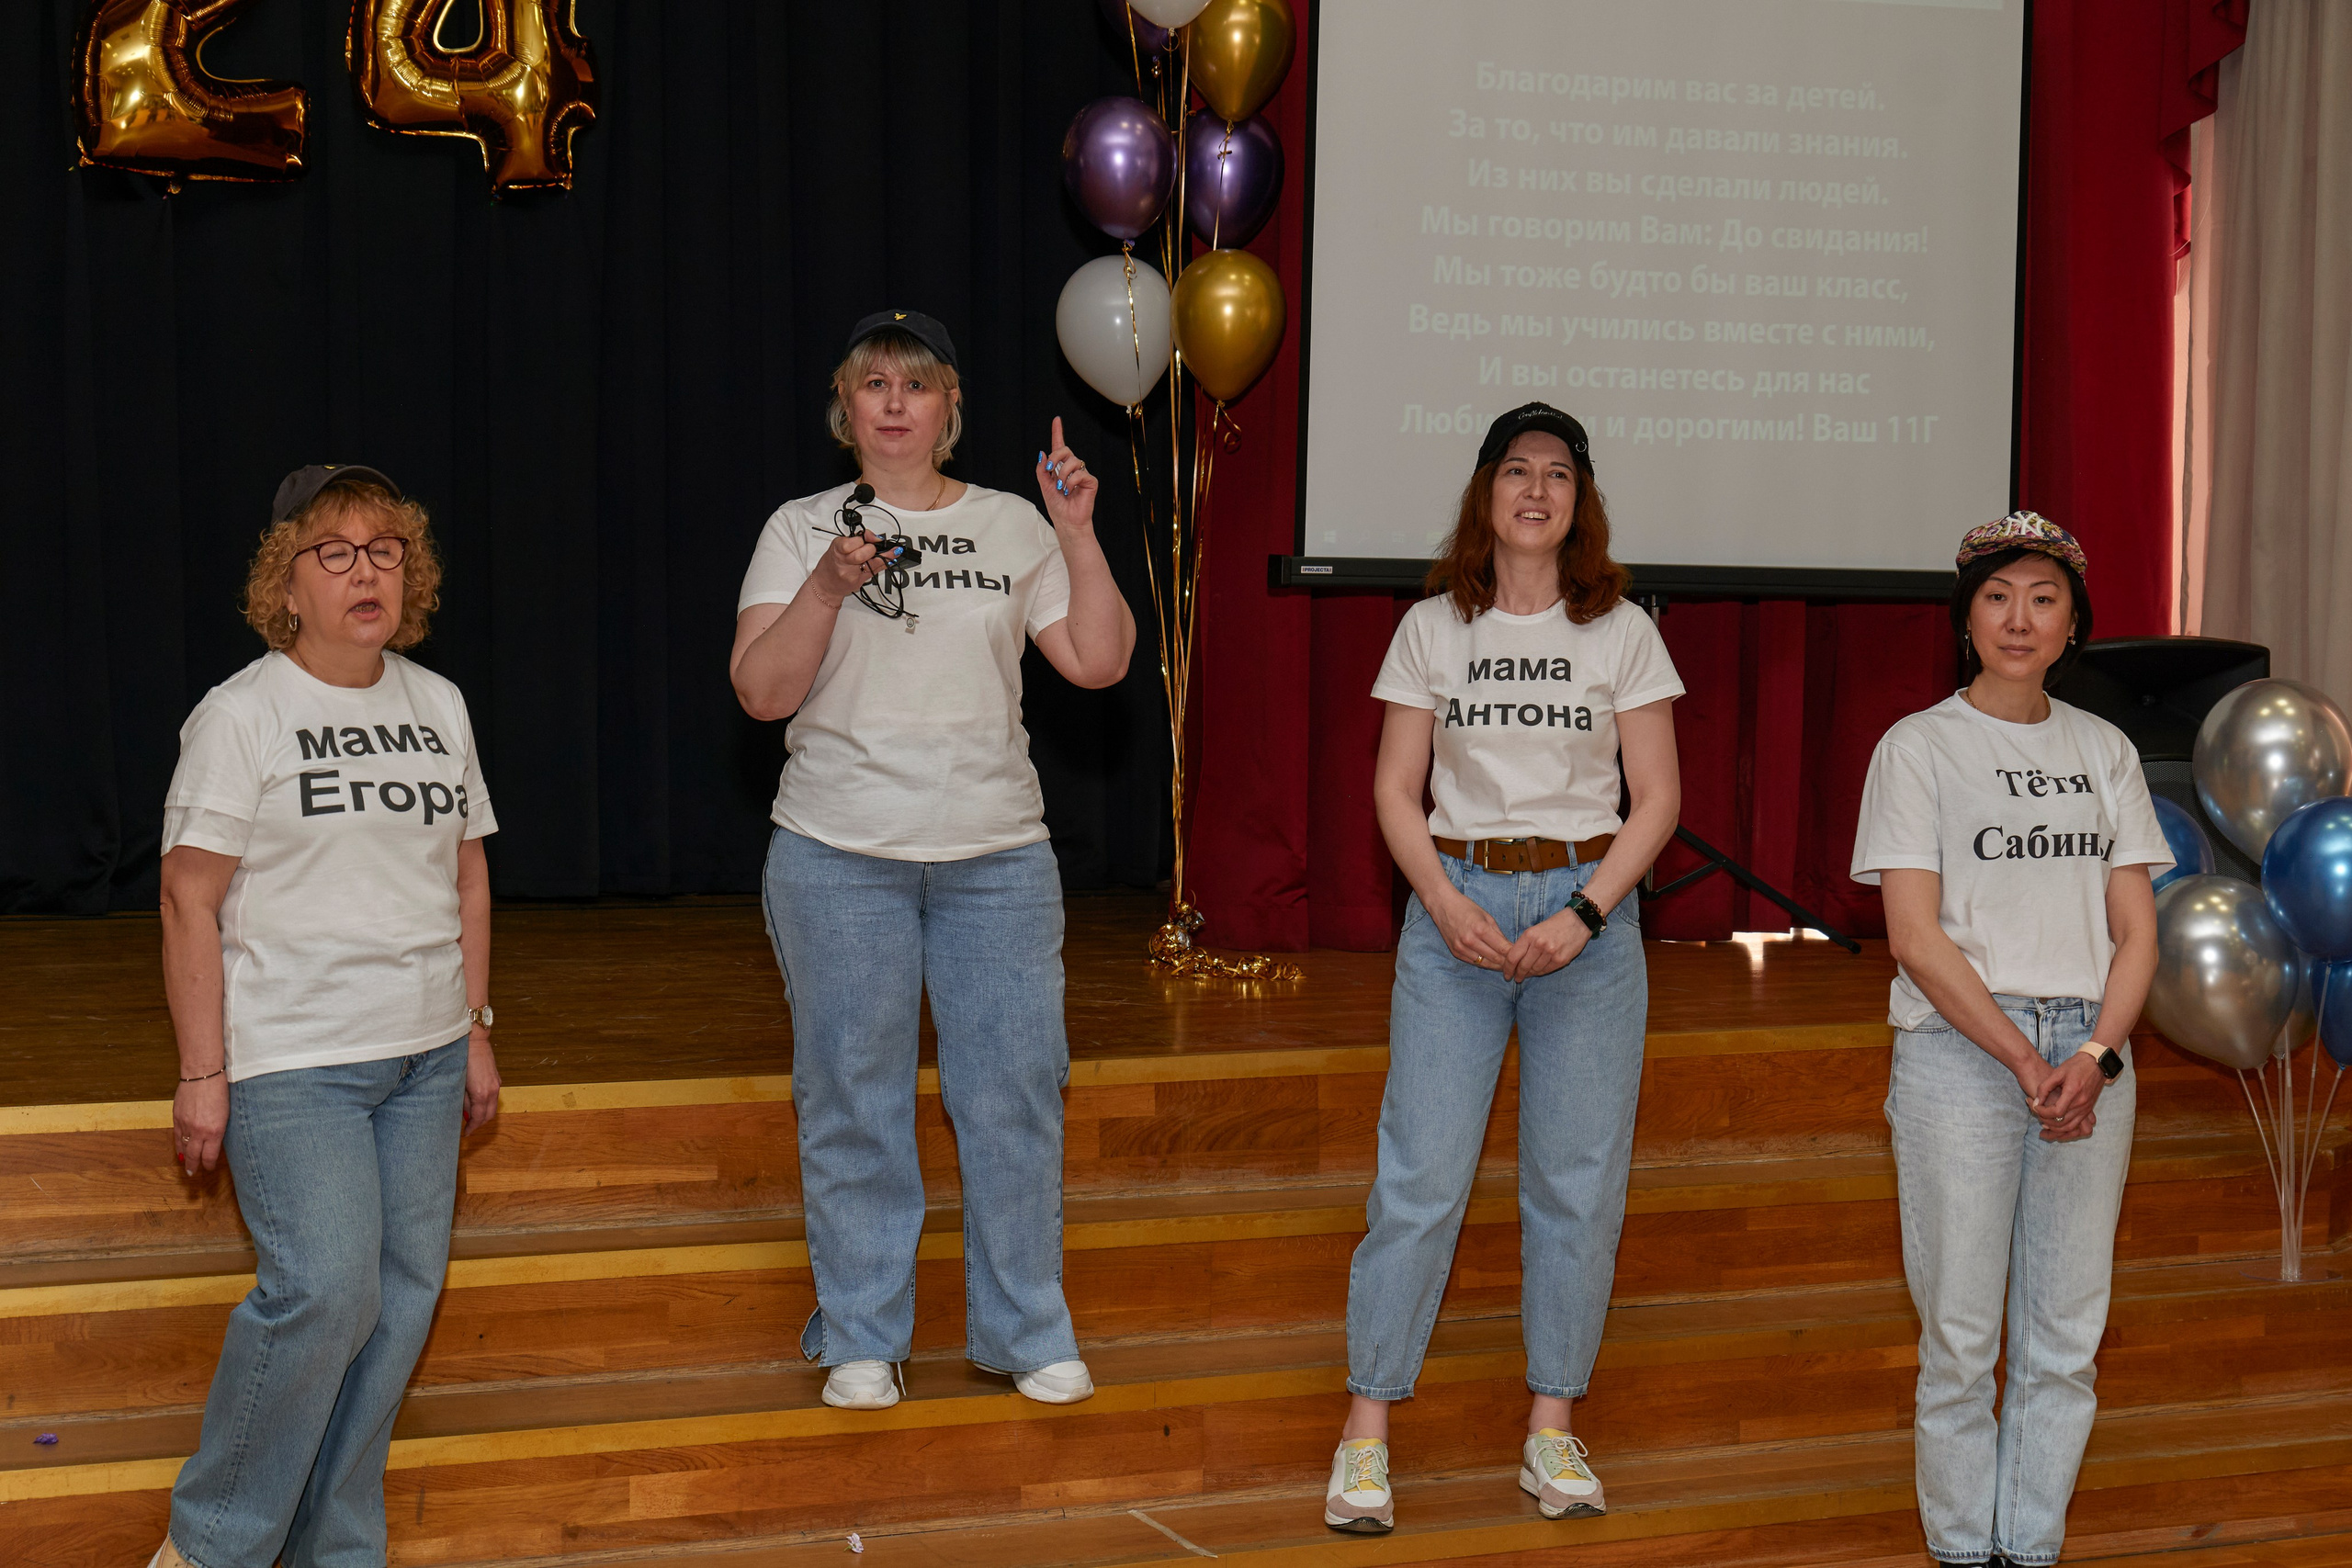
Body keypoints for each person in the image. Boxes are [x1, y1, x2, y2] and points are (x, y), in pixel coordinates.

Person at [729, 310, 1136, 1410]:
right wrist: (827, 586)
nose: (895, 402)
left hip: (995, 858)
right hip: (836, 852)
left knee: (1014, 1096)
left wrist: (1078, 531)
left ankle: (1025, 1330)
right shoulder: (799, 528)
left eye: (917, 383)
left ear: (952, 406)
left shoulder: (1014, 522)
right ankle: (862, 1335)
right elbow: (760, 694)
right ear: (845, 407)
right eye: (874, 383)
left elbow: (1098, 663)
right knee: (852, 1098)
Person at [1325, 403, 1683, 1534]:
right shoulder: (1432, 626)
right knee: (1419, 1181)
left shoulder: (1620, 631)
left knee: (1576, 1185)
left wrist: (1585, 912)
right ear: (1486, 493)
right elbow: (1394, 789)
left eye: (1558, 474)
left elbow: (1657, 798)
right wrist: (1440, 902)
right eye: (1517, 471)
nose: (1536, 490)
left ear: (1582, 501)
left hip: (1586, 923)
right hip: (1457, 915)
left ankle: (1551, 1426)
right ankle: (1366, 1432)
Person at [151, 466, 503, 1568]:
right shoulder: (241, 715)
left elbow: (468, 879)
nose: (366, 573)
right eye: (336, 553)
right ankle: (210, 1548)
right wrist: (202, 1072)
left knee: (397, 1309)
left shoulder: (438, 704)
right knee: (326, 1292)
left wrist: (475, 1024)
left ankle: (336, 1548)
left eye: (385, 551)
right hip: (296, 1062)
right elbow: (187, 897)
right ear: (286, 583)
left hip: (426, 1054)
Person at [1851, 512, 2166, 1568]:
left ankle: (2027, 1549)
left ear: (2073, 623)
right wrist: (2028, 1060)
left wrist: (2096, 1057)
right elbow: (1912, 936)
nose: (2018, 618)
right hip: (1963, 1054)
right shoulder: (1918, 747)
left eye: (2042, 598)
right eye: (1996, 597)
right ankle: (1958, 1550)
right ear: (1965, 618)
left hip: (2090, 1056)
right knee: (1959, 1340)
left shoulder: (2104, 749)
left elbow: (2136, 932)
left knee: (2063, 1340)